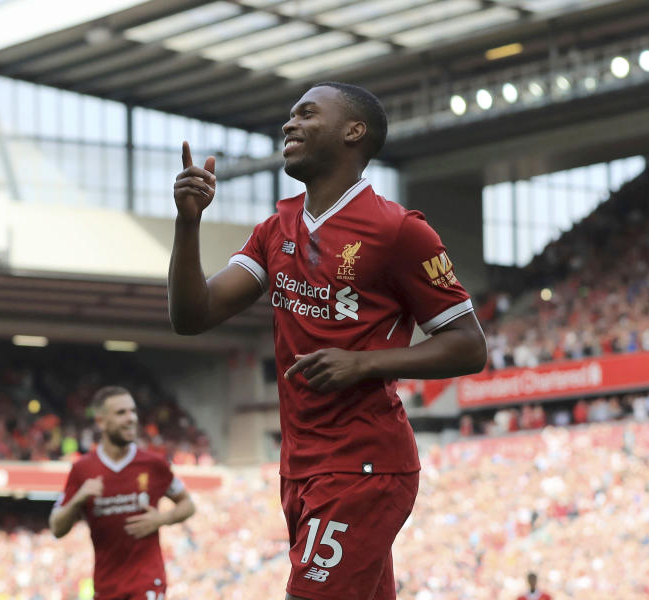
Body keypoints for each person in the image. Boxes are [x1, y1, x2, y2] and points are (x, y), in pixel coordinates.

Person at [169, 81, 487, 600]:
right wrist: (188, 226)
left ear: (352, 132)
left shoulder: (399, 230)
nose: (288, 124)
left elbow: (470, 346)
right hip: (301, 465)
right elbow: (192, 315)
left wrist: (364, 364)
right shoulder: (275, 229)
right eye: (289, 116)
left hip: (363, 463)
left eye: (306, 114)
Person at [49, 386, 195, 600]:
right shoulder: (83, 470)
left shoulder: (153, 464)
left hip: (147, 581)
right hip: (106, 585)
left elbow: (188, 504)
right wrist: (78, 499)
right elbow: (56, 527)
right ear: (101, 421)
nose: (131, 418)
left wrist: (162, 519)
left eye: (133, 411)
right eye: (121, 413)